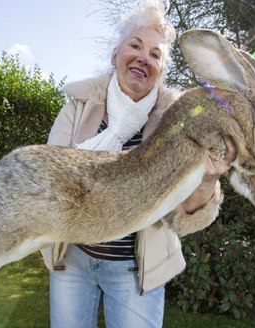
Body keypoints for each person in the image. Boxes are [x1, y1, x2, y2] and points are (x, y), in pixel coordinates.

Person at [41, 1, 236, 327]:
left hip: (136, 270)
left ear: (160, 71)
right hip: (72, 260)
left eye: (155, 54)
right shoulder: (78, 107)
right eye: (136, 45)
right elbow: (48, 178)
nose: (144, 57)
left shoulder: (179, 123)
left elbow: (184, 214)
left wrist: (206, 180)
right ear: (115, 55)